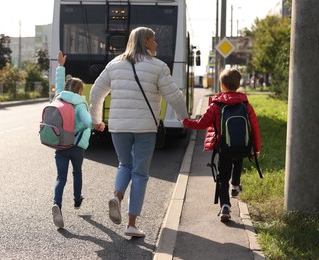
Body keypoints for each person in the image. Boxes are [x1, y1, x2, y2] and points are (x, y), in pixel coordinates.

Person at [89, 27, 189, 237]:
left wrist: (96, 120)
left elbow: (97, 92)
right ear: (145, 42)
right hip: (144, 128)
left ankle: (117, 196)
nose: (157, 44)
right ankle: (131, 224)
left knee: (125, 164)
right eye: (154, 41)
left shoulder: (114, 64)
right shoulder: (158, 67)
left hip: (118, 126)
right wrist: (183, 118)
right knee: (140, 173)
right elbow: (175, 96)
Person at [182, 68, 261, 222]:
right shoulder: (246, 105)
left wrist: (185, 121)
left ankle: (225, 205)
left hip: (224, 148)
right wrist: (256, 149)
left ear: (222, 86)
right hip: (242, 147)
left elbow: (201, 124)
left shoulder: (216, 105)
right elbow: (255, 128)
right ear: (238, 85)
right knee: (238, 162)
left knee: (222, 176)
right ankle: (236, 185)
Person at [51, 51, 105, 228]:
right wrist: (97, 125)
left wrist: (60, 66)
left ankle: (57, 204)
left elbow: (58, 83)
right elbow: (88, 121)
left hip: (60, 144)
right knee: (77, 173)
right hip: (76, 147)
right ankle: (76, 200)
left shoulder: (60, 97)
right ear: (80, 91)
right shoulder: (80, 103)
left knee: (61, 177)